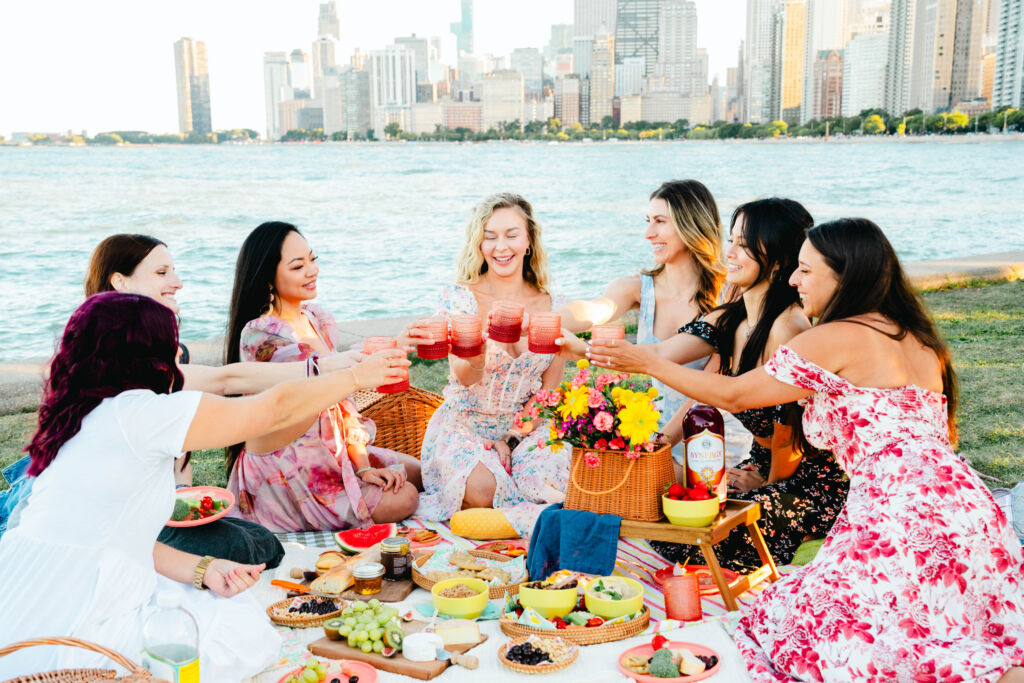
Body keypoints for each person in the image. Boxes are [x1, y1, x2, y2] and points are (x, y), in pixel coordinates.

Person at [589, 219, 1024, 682]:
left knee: (824, 638)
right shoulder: (915, 336)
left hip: (899, 510)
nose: (794, 281)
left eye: (805, 270)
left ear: (845, 276)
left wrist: (647, 360)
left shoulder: (835, 336)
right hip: (967, 509)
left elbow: (735, 395)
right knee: (949, 627)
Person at [0, 291, 408, 681]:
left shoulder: (77, 416)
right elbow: (269, 411)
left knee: (214, 593)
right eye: (171, 343)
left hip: (26, 588)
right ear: (145, 355)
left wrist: (204, 569)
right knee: (239, 629)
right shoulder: (138, 413)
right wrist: (357, 376)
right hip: (76, 608)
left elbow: (120, 538)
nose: (178, 354)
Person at [591, 198, 849, 571]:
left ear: (777, 259)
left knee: (711, 543)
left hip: (807, 481)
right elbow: (662, 354)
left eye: (743, 245)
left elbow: (787, 441)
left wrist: (763, 486)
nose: (729, 253)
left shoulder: (787, 328)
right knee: (674, 524)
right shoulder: (732, 318)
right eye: (730, 240)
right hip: (761, 464)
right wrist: (580, 347)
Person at [83, 233, 366, 487]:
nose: (178, 283)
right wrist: (333, 370)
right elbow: (227, 381)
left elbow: (179, 461)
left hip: (154, 504)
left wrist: (182, 495)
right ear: (119, 281)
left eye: (174, 271)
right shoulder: (110, 364)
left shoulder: (171, 353)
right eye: (161, 272)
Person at [224, 222, 421, 532]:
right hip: (290, 465)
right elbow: (327, 381)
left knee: (421, 472)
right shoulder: (262, 334)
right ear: (267, 277)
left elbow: (341, 393)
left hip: (330, 448)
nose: (312, 270)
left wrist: (364, 466)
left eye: (313, 260)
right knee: (405, 497)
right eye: (298, 265)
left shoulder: (314, 318)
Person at [555, 180, 752, 468]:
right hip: (658, 438)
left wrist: (659, 445)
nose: (648, 233)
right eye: (648, 221)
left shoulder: (731, 292)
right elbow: (596, 308)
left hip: (712, 441)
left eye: (660, 221)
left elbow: (712, 386)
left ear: (691, 224)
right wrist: (544, 320)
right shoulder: (639, 288)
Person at [404, 193, 568, 537]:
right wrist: (479, 353)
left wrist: (512, 440)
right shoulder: (460, 297)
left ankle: (513, 518)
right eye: (489, 236)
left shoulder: (552, 304)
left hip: (522, 431)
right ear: (479, 244)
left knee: (559, 480)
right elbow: (463, 378)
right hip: (464, 425)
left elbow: (549, 390)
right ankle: (527, 518)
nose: (500, 247)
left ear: (528, 241)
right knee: (481, 489)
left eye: (511, 234)